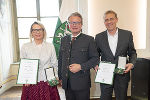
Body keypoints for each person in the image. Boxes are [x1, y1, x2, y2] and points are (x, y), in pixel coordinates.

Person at [95, 10, 137, 100]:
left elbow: (132, 53)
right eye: (106, 20)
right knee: (104, 98)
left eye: (111, 19)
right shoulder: (98, 37)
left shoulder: (127, 34)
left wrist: (132, 63)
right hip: (105, 75)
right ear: (104, 22)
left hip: (122, 74)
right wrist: (95, 64)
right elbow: (95, 55)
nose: (109, 22)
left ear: (116, 20)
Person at [58, 12, 99, 100]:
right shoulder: (64, 40)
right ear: (68, 25)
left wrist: (81, 66)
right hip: (67, 82)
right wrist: (61, 77)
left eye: (77, 22)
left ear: (81, 25)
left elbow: (95, 59)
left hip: (82, 83)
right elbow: (61, 60)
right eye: (72, 22)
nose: (74, 25)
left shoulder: (89, 40)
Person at [20, 21, 60, 100]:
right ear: (31, 33)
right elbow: (23, 65)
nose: (37, 32)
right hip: (31, 82)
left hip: (48, 81)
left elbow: (54, 63)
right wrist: (25, 79)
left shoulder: (50, 46)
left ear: (43, 31)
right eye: (34, 30)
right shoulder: (25, 46)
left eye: (40, 30)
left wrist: (55, 77)